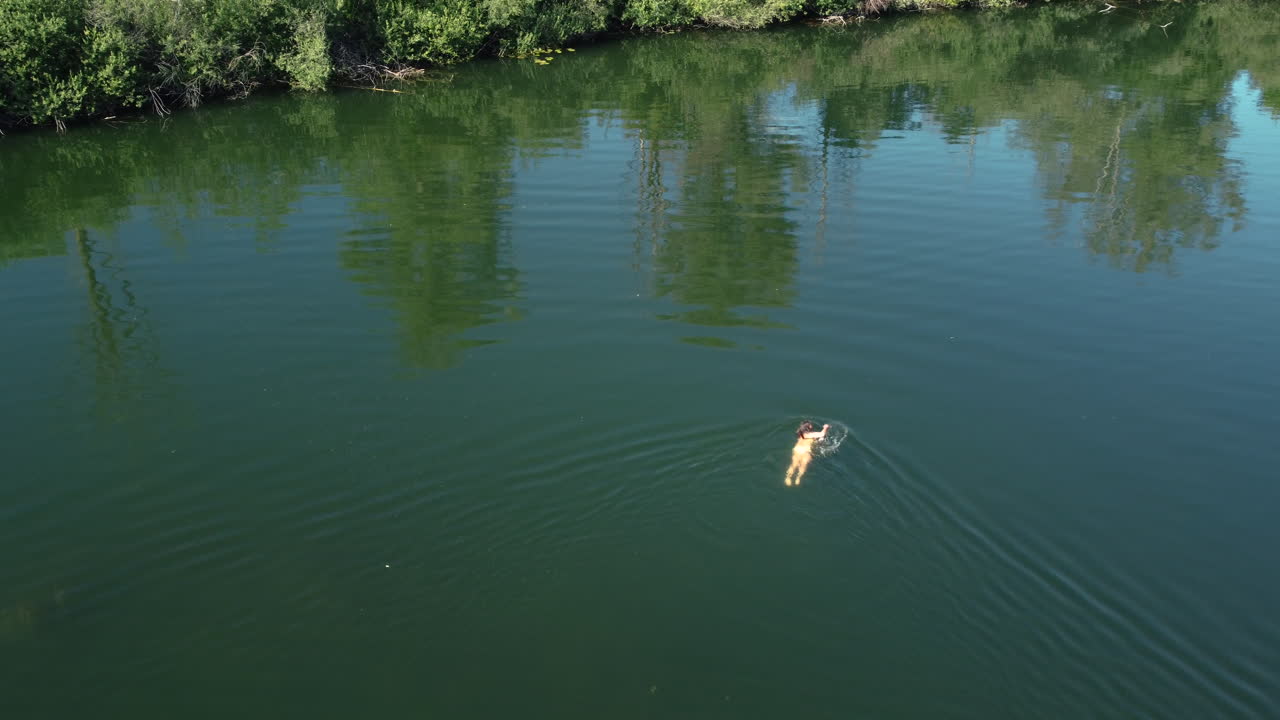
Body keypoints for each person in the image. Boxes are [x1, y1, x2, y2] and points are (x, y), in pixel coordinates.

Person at [785, 420, 829, 486]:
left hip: (797, 449)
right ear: (808, 428)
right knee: (803, 465)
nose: (812, 425)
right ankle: (798, 478)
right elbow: (822, 434)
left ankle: (788, 478)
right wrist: (826, 427)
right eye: (810, 425)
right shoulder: (811, 434)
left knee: (793, 465)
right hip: (805, 451)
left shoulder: (800, 432)